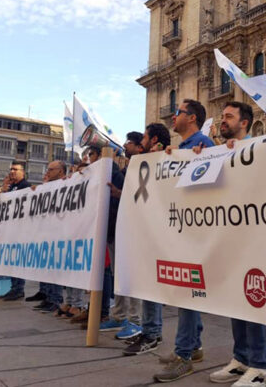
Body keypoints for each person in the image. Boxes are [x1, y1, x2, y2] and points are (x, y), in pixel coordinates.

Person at [199, 102, 266, 387]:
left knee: (254, 299)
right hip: (228, 236)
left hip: (253, 237)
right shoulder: (219, 153)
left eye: (229, 116)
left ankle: (261, 366)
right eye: (223, 116)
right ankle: (241, 359)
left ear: (245, 123)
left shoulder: (259, 149)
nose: (223, 120)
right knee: (235, 300)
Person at [153, 99, 214, 383]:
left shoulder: (204, 145)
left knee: (188, 292)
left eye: (177, 112)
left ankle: (184, 355)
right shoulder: (183, 149)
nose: (172, 116)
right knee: (185, 291)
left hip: (194, 231)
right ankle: (194, 345)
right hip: (180, 228)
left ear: (191, 118)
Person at [122, 123, 172, 356]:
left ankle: (152, 333)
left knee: (152, 284)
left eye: (144, 137)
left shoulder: (164, 160)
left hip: (158, 231)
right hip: (144, 230)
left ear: (153, 141)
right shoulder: (142, 163)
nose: (140, 141)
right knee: (146, 283)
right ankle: (148, 329)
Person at [98, 133, 143, 340]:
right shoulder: (127, 170)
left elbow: (141, 198)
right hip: (117, 229)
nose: (125, 145)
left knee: (133, 276)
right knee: (120, 276)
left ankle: (135, 320)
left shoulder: (143, 168)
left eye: (129, 143)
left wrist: (120, 193)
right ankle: (119, 315)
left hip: (134, 231)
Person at [30, 161, 66, 313]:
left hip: (60, 232)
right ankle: (49, 298)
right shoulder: (48, 187)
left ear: (61, 171)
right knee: (48, 268)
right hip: (47, 233)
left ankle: (56, 299)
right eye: (48, 169)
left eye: (52, 169)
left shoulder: (67, 184)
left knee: (55, 268)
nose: (48, 172)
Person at [0, 161, 32, 301]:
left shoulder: (25, 186)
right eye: (11, 169)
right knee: (11, 260)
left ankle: (19, 289)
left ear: (22, 172)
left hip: (21, 230)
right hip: (10, 229)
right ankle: (14, 287)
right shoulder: (11, 186)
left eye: (15, 169)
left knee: (17, 260)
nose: (12, 171)